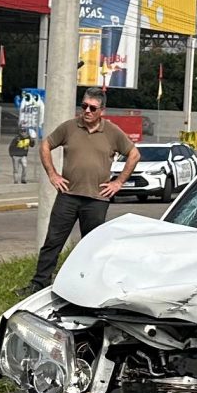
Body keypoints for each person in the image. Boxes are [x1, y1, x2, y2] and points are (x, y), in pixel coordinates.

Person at [28, 90, 134, 291]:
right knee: (53, 241)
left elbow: (134, 154)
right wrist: (53, 174)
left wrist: (118, 182)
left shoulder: (112, 132)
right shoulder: (69, 127)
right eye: (84, 106)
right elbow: (45, 145)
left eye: (93, 108)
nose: (87, 111)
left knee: (92, 246)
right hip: (68, 196)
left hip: (97, 199)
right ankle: (39, 283)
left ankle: (89, 286)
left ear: (102, 110)